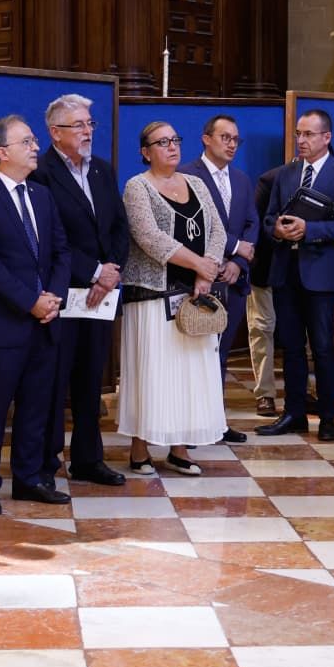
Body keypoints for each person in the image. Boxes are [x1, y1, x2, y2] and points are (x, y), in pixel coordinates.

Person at [0, 116, 72, 514]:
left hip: (45, 321)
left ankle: (29, 479)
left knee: (36, 407)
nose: (35, 147)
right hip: (2, 325)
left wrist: (54, 296)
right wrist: (31, 301)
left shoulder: (42, 195)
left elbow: (61, 250)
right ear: (2, 152)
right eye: (26, 141)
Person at [29, 94, 129, 488]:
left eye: (91, 124)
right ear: (55, 132)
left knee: (91, 381)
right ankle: (46, 463)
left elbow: (120, 226)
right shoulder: (40, 173)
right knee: (54, 382)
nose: (88, 131)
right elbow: (50, 239)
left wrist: (111, 272)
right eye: (79, 125)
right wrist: (93, 271)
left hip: (102, 296)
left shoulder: (103, 170)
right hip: (62, 292)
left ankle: (89, 459)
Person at [119, 121, 228, 475]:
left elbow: (217, 230)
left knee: (188, 374)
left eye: (175, 140)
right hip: (153, 295)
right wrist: (200, 265)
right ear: (145, 151)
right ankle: (139, 450)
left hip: (195, 294)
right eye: (161, 142)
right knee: (153, 373)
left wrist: (203, 273)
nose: (171, 147)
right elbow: (149, 238)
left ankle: (179, 449)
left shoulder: (196, 183)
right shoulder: (137, 187)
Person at [256, 109, 334, 441]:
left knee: (324, 347)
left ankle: (327, 416)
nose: (301, 140)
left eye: (308, 134)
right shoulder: (284, 174)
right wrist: (279, 232)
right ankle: (294, 414)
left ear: (326, 137)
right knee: (292, 348)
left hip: (320, 275)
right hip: (285, 271)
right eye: (298, 134)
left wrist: (308, 229)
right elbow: (268, 218)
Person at [179, 114, 258, 444]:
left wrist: (239, 260)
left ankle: (216, 422)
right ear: (206, 139)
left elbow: (252, 223)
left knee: (221, 354)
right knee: (193, 356)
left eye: (236, 139)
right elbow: (194, 225)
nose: (231, 144)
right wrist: (234, 245)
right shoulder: (185, 175)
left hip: (233, 280)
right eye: (225, 137)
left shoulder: (240, 179)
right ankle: (189, 426)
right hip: (199, 277)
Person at [247, 163, 284, 417]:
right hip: (266, 267)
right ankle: (265, 393)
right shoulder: (270, 178)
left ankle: (300, 391)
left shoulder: (333, 177)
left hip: (304, 273)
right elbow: (255, 225)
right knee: (262, 328)